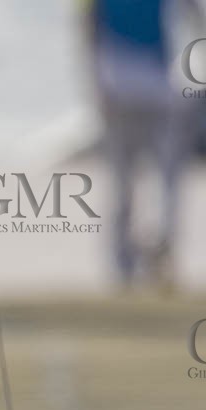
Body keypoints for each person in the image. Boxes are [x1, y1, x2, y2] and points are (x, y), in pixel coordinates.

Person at [86, 0, 201, 288]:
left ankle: (128, 261)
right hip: (151, 80)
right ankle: (153, 252)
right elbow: (194, 15)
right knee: (164, 176)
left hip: (118, 77)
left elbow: (88, 25)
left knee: (126, 178)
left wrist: (93, 79)